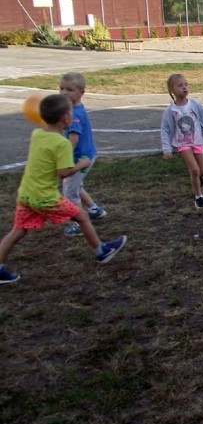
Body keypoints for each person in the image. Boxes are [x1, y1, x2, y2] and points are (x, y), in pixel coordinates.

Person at [0, 94, 127, 284]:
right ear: (65, 118)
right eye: (70, 113)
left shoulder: (37, 134)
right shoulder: (62, 144)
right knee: (82, 217)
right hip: (45, 197)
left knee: (18, 231)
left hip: (26, 194)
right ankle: (101, 251)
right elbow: (63, 172)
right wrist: (82, 164)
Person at [160, 73, 203, 208]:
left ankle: (196, 179)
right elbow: (165, 129)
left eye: (186, 84)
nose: (184, 88)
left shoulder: (195, 104)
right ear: (171, 90)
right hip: (183, 144)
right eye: (180, 85)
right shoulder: (171, 110)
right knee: (195, 170)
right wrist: (167, 149)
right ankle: (198, 196)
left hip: (198, 142)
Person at [59, 72, 108, 237]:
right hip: (86, 155)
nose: (65, 93)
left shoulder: (75, 115)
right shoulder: (74, 108)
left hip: (80, 159)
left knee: (69, 192)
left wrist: (63, 159)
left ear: (81, 92)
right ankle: (94, 210)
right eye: (62, 89)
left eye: (70, 90)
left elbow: (73, 139)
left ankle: (78, 224)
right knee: (76, 186)